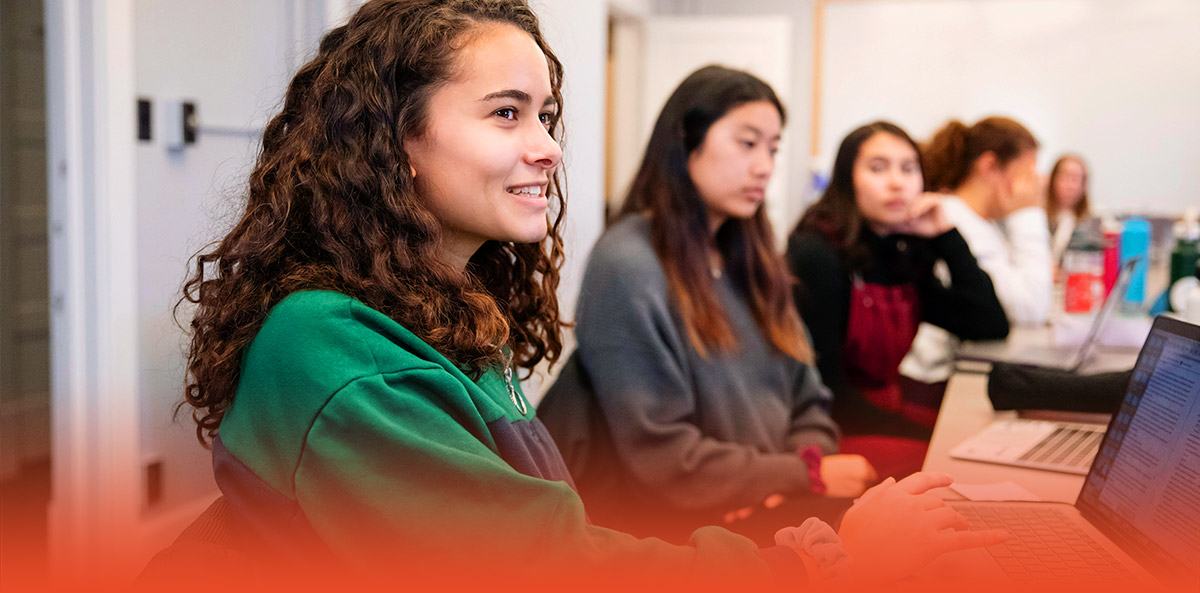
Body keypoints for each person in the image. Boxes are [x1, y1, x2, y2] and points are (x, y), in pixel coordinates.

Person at [154, 1, 1004, 589]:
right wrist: (825, 560)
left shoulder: (439, 306)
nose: (549, 148)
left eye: (546, 116)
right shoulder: (335, 351)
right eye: (506, 114)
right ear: (395, 141)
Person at [539, 65, 876, 547]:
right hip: (680, 539)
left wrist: (780, 484)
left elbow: (811, 401)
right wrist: (798, 477)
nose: (765, 166)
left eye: (773, 148)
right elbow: (662, 454)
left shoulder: (753, 257)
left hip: (764, 513)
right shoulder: (629, 262)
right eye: (747, 142)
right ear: (686, 141)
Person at [786, 122, 1009, 479]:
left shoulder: (901, 251)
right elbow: (827, 391)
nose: (897, 182)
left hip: (885, 408)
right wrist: (926, 436)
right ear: (847, 179)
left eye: (908, 169)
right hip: (833, 425)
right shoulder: (817, 254)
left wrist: (946, 236)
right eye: (878, 168)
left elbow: (988, 324)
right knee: (955, 466)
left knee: (986, 444)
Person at [900, 116, 1051, 388]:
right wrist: (1028, 212)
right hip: (934, 380)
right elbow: (1029, 308)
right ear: (990, 166)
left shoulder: (981, 222)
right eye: (1027, 172)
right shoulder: (954, 218)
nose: (1036, 184)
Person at [1045, 155, 1091, 263]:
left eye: (1075, 179)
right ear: (1053, 179)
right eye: (1065, 177)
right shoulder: (1038, 218)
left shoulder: (1092, 226)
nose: (1070, 186)